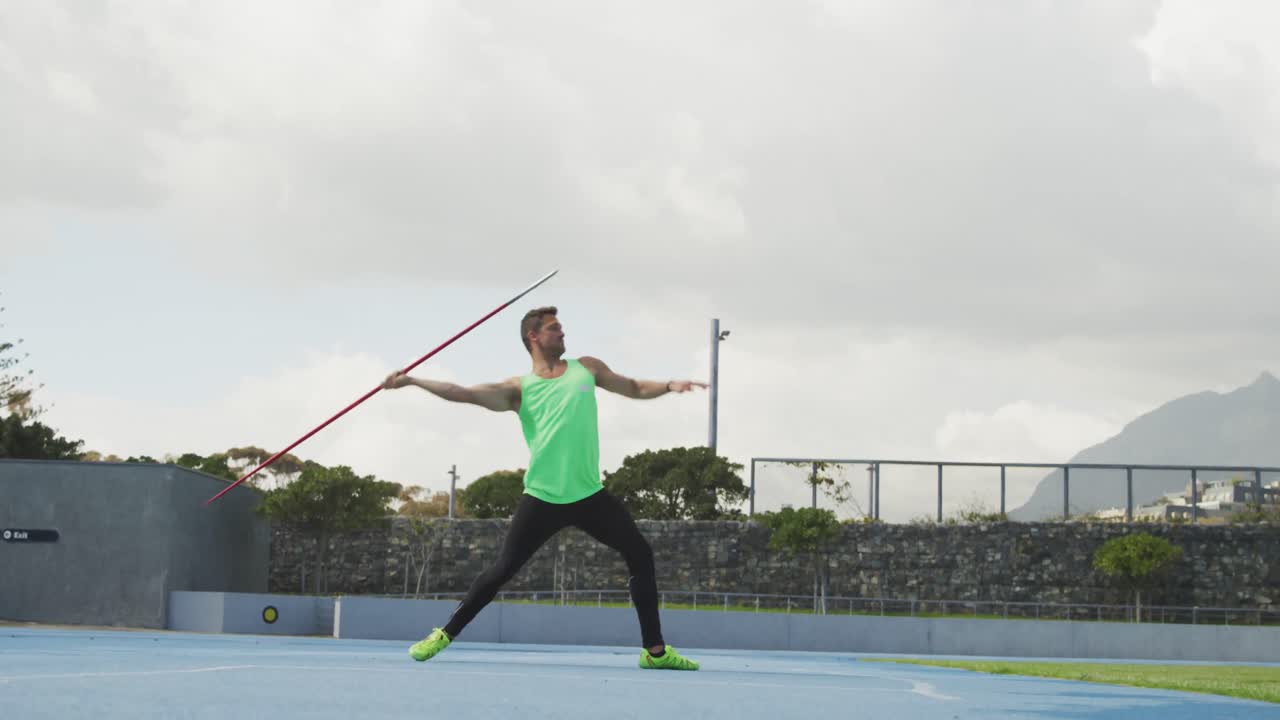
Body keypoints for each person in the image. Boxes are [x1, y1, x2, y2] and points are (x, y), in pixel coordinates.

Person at [381, 306, 705, 670]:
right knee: (501, 569)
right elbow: (462, 392)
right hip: (542, 496)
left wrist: (668, 386)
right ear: (533, 337)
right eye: (554, 329)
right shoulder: (518, 390)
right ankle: (443, 634)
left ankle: (654, 651)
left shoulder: (587, 368)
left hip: (589, 495)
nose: (563, 334)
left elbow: (632, 387)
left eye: (562, 328)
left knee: (641, 555)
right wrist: (413, 381)